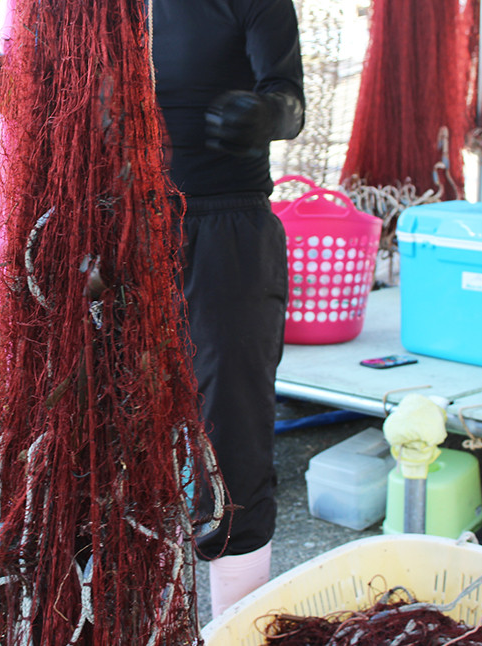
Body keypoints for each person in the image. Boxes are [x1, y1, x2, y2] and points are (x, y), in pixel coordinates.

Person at [151, 0, 305, 619]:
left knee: (232, 440)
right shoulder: (88, 12)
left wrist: (264, 113)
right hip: (115, 229)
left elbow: (289, 101)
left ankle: (235, 625)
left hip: (227, 227)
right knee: (99, 426)